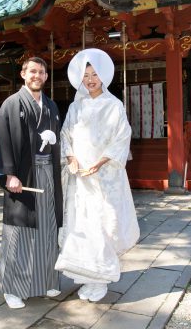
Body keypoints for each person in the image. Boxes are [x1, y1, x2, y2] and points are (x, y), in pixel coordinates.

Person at [55, 48, 140, 302]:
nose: (90, 79)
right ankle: (87, 278)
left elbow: (121, 138)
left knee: (101, 227)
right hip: (79, 177)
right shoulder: (75, 106)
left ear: (103, 76)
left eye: (94, 74)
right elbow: (65, 134)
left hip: (104, 179)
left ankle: (101, 280)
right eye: (85, 75)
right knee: (80, 226)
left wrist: (100, 163)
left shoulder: (114, 106)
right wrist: (71, 157)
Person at [0, 56, 63, 309]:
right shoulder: (12, 104)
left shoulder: (51, 106)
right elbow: (2, 139)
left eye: (42, 72)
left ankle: (46, 280)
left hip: (48, 173)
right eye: (32, 71)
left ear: (46, 77)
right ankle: (12, 288)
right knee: (19, 230)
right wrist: (9, 173)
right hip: (22, 175)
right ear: (23, 74)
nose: (37, 76)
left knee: (47, 227)